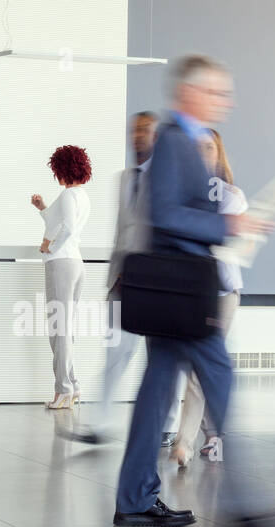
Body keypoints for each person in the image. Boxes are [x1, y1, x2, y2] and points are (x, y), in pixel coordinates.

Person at [114, 54, 273, 527]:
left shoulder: (184, 141)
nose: (226, 101)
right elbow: (165, 214)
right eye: (218, 92)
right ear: (190, 93)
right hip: (183, 293)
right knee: (220, 380)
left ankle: (136, 499)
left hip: (175, 294)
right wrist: (229, 223)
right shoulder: (176, 141)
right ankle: (238, 501)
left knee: (155, 395)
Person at [65, 111, 184, 443]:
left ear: (157, 137)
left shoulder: (167, 179)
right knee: (115, 354)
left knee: (161, 357)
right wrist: (115, 276)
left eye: (144, 131)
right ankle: (100, 425)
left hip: (160, 284)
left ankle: (167, 426)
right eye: (134, 131)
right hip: (125, 282)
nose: (137, 136)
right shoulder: (123, 178)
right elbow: (121, 232)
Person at [170, 129, 245, 467]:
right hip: (191, 292)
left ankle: (183, 443)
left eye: (209, 147)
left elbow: (217, 235)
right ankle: (214, 435)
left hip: (223, 292)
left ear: (219, 152)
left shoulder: (233, 196)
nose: (203, 152)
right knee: (196, 368)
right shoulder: (178, 195)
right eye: (197, 148)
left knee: (200, 373)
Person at [31, 145, 92, 409]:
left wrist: (49, 247)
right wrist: (42, 206)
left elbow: (66, 227)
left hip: (61, 263)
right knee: (65, 330)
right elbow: (56, 221)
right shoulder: (81, 195)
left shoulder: (68, 195)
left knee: (59, 330)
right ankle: (72, 386)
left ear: (60, 168)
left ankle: (63, 391)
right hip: (75, 263)